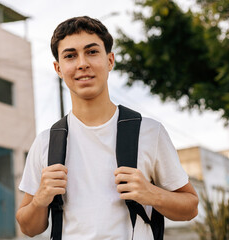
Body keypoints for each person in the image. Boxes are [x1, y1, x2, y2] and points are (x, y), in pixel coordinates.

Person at [16, 16, 199, 239]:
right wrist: (40, 199)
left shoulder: (149, 132)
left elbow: (190, 207)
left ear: (110, 60)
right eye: (70, 56)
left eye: (92, 52)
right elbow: (28, 228)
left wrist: (151, 193)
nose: (82, 63)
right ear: (59, 68)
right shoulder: (46, 142)